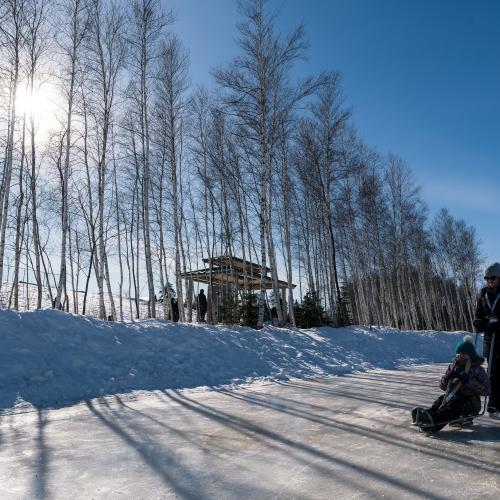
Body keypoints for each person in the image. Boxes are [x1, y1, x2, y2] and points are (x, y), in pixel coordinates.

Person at [411, 336, 490, 432]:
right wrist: (446, 378)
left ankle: (434, 421)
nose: (460, 356)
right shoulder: (454, 366)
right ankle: (427, 415)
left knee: (455, 404)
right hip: (453, 396)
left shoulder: (477, 369)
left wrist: (468, 381)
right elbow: (443, 387)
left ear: (470, 355)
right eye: (459, 353)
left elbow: (487, 390)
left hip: (472, 402)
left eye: (464, 354)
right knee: (440, 400)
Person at [473, 262, 500, 414]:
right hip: (490, 338)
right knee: (492, 372)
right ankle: (494, 402)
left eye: (493, 277)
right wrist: (479, 322)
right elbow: (479, 314)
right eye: (487, 278)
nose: (490, 280)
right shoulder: (483, 294)